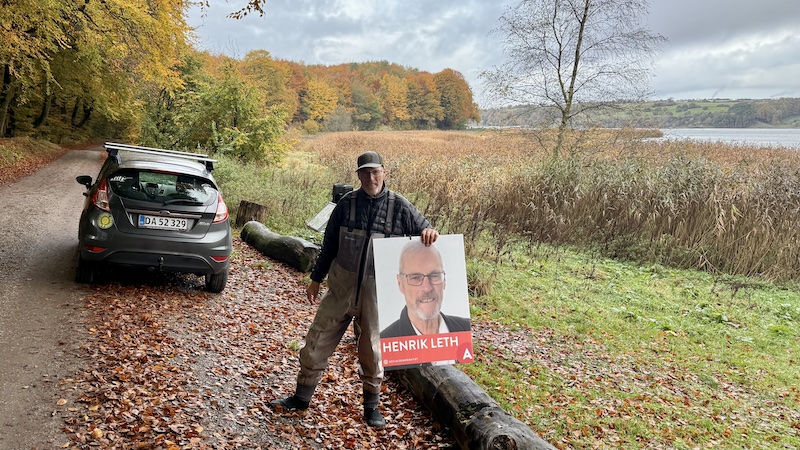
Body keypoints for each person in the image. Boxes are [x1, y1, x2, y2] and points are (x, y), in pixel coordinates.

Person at [270, 150, 438, 428]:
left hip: (376, 294)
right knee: (316, 342)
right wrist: (315, 279)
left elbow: (425, 230)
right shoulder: (346, 205)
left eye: (375, 172)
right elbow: (329, 247)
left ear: (384, 172)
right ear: (358, 175)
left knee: (373, 351)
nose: (370, 178)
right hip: (340, 289)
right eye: (365, 173)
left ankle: (371, 408)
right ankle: (300, 398)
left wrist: (430, 232)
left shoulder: (401, 206)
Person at [380, 241, 470, 338]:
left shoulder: (466, 329)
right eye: (415, 277)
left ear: (444, 281)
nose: (427, 288)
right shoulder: (386, 341)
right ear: (400, 284)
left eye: (434, 275)